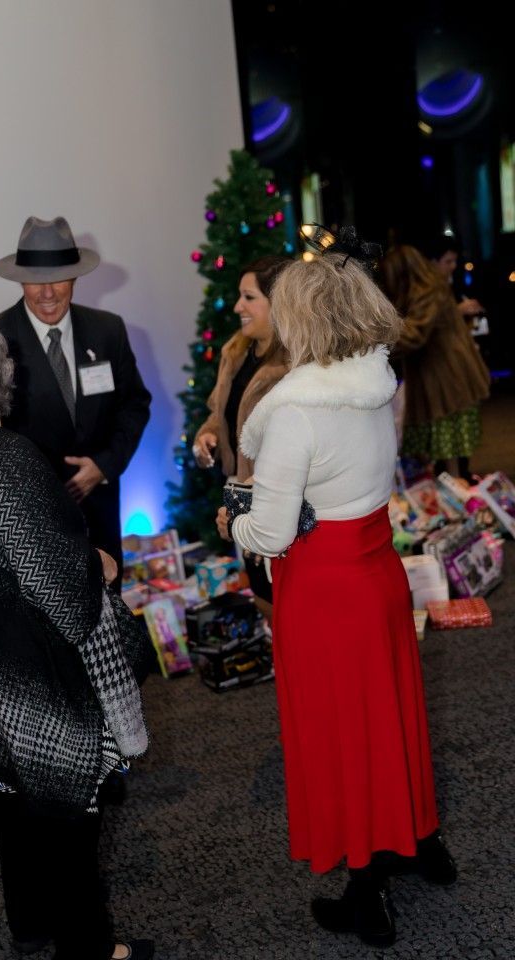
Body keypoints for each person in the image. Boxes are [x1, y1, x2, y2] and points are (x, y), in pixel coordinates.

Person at [215, 236, 456, 948]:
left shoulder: (295, 413)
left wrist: (236, 520)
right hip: (377, 574)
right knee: (390, 719)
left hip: (323, 593)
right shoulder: (375, 385)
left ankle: (366, 891)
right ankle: (419, 842)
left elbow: (273, 532)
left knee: (341, 736)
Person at [0, 324, 154, 960]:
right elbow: (60, 589)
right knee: (68, 810)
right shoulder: (9, 458)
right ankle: (91, 948)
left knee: (7, 793)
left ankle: (30, 922)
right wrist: (100, 565)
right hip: (30, 664)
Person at [0, 215, 151, 592]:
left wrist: (104, 466)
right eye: (35, 281)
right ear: (19, 280)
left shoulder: (108, 330)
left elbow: (134, 405)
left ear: (75, 277)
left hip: (101, 515)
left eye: (58, 278)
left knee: (109, 631)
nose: (47, 293)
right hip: (32, 525)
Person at [193, 255, 291, 614]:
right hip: (241, 493)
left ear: (278, 302)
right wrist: (207, 435)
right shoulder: (236, 352)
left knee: (286, 596)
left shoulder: (294, 366)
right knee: (264, 595)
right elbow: (219, 414)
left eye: (249, 298)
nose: (238, 307)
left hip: (278, 497)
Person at [380, 244, 490, 481]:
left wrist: (375, 342)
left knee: (447, 446)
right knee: (443, 447)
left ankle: (456, 496)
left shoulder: (427, 292)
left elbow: (415, 333)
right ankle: (453, 488)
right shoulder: (429, 288)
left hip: (446, 377)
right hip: (445, 374)